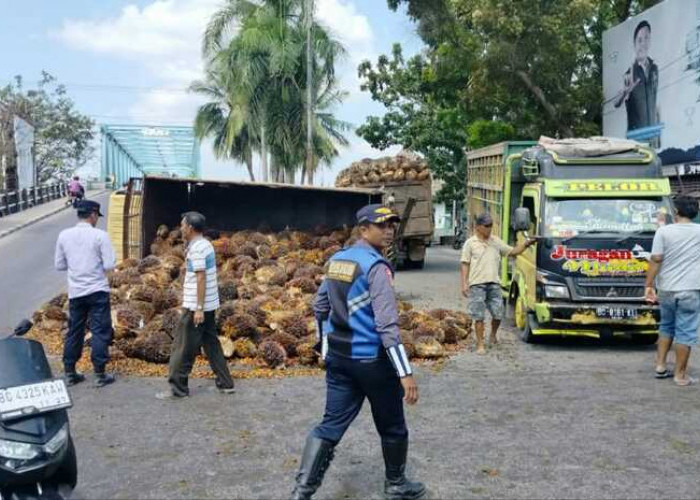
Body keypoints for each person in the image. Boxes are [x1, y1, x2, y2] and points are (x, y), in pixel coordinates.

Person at [291, 204, 424, 500]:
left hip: (340, 361)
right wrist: (405, 374)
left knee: (330, 425)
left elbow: (320, 307)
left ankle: (301, 492)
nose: (388, 231)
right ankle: (396, 484)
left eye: (391, 225)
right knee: (393, 426)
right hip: (372, 361)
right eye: (382, 226)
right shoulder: (376, 267)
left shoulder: (337, 260)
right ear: (363, 229)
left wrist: (326, 346)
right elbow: (387, 325)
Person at [157, 211, 235, 400]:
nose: (181, 228)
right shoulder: (205, 244)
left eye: (183, 225)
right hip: (208, 304)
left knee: (183, 346)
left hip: (196, 306)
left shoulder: (198, 248)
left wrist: (198, 308)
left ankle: (178, 388)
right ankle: (226, 383)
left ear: (190, 228)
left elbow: (201, 278)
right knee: (211, 343)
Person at [54, 200, 116, 387]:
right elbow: (109, 265)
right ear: (93, 215)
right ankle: (99, 374)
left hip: (76, 292)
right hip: (97, 290)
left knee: (75, 330)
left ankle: (70, 372)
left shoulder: (64, 235)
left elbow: (59, 265)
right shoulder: (100, 236)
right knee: (99, 330)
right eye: (97, 216)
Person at [460, 213, 537, 354]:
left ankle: (493, 335)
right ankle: (480, 344)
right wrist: (464, 283)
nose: (489, 229)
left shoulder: (496, 242)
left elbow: (513, 252)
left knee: (498, 313)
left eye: (491, 226)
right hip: (477, 285)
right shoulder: (470, 244)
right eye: (486, 226)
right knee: (478, 316)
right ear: (478, 227)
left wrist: (526, 244)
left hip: (494, 284)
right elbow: (465, 263)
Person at [644, 196, 700, 386]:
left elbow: (656, 259)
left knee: (666, 326)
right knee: (686, 331)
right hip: (691, 289)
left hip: (666, 288)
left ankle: (660, 366)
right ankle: (680, 375)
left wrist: (649, 286)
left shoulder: (663, 232)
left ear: (676, 212)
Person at [613, 20, 660, 146]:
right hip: (636, 141)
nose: (643, 43)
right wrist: (624, 92)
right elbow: (616, 103)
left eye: (646, 38)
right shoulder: (629, 74)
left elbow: (655, 102)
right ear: (634, 44)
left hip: (653, 138)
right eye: (639, 40)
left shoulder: (654, 69)